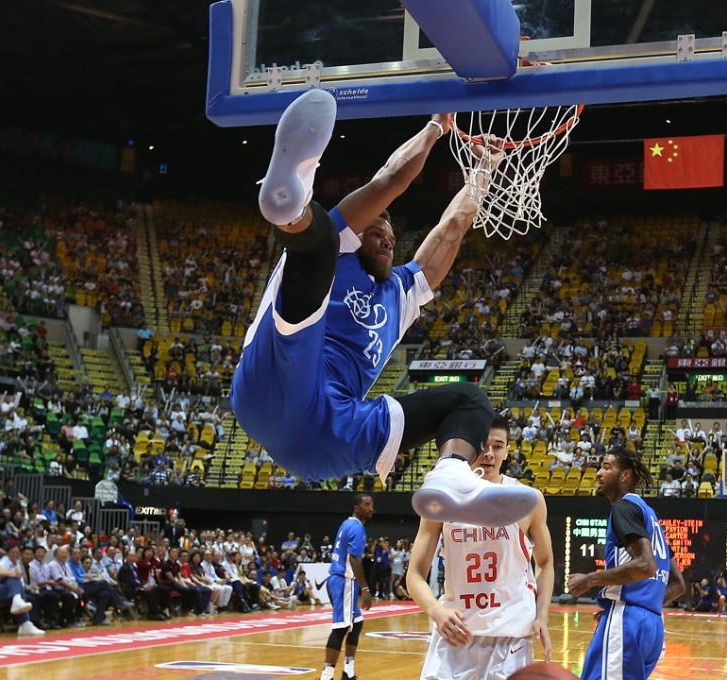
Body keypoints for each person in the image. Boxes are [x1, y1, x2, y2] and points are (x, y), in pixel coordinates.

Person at [230, 89, 537, 528]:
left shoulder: (401, 293)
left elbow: (452, 228)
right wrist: (437, 126)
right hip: (280, 381)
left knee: (471, 400)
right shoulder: (341, 251)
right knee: (316, 248)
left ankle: (450, 478)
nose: (388, 237)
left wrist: (484, 172)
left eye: (392, 236)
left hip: (328, 436)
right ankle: (290, 205)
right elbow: (389, 181)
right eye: (378, 230)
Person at [407, 415, 555, 680]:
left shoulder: (528, 499)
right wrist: (435, 610)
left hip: (511, 636)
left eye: (497, 446)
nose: (489, 454)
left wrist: (542, 614)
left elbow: (545, 563)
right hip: (455, 631)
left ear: (507, 451)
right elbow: (414, 574)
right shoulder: (441, 499)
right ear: (468, 448)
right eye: (482, 445)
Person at [567, 448, 685, 680]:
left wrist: (590, 580)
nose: (599, 473)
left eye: (607, 466)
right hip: (653, 626)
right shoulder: (650, 516)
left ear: (625, 476)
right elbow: (679, 584)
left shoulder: (623, 507)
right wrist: (641, 607)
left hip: (629, 622)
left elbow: (645, 565)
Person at [322, 493, 374, 680]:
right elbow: (353, 559)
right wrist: (365, 589)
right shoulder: (357, 528)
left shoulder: (347, 523)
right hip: (344, 580)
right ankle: (326, 676)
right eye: (367, 504)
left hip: (338, 579)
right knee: (341, 627)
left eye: (371, 505)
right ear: (356, 507)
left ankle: (348, 672)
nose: (371, 508)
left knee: (357, 624)